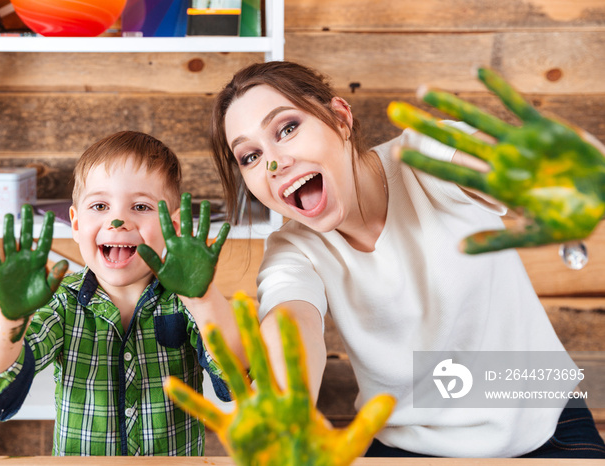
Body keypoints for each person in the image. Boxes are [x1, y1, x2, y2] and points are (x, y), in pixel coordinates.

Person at [209, 61, 605, 458]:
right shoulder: (292, 249)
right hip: (407, 448)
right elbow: (292, 322)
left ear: (340, 118)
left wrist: (546, 175)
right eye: (250, 156)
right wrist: (285, 406)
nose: (275, 163)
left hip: (549, 426)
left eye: (288, 128)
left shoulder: (422, 156)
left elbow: (491, 167)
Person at [0, 130, 238, 456]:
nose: (118, 220)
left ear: (172, 227)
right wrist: (9, 315)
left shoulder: (187, 299)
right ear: (75, 224)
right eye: (100, 205)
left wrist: (203, 299)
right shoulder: (61, 301)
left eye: (141, 206)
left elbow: (236, 374)